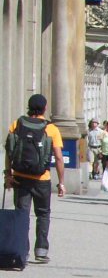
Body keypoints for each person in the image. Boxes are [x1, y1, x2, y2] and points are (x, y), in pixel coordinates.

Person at [4, 93, 66, 264]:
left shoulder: (17, 123)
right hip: (42, 179)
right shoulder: (51, 129)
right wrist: (61, 182)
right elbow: (59, 158)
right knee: (43, 214)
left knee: (22, 214)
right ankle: (41, 251)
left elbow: (9, 151)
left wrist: (8, 174)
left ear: (28, 107)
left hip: (20, 177)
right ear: (45, 108)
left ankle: (22, 250)